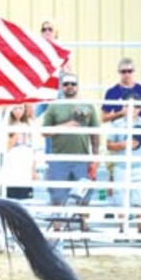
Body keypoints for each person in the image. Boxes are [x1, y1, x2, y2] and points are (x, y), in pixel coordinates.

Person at [41, 73, 100, 213]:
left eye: (73, 84)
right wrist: (67, 125)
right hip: (58, 159)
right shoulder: (54, 106)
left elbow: (95, 133)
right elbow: (44, 131)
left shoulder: (88, 106)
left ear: (77, 87)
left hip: (82, 158)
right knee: (57, 197)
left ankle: (83, 229)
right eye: (66, 84)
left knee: (84, 197)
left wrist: (96, 158)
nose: (70, 87)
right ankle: (56, 229)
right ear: (62, 86)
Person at [106, 94, 141, 233]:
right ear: (124, 106)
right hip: (121, 166)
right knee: (121, 198)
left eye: (137, 106)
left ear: (140, 109)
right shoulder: (116, 124)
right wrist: (122, 144)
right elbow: (109, 145)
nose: (133, 109)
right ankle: (122, 230)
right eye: (129, 105)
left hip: (140, 166)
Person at [1, 104, 38, 200]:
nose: (18, 111)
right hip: (12, 166)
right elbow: (5, 147)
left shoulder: (30, 124)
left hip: (26, 165)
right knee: (11, 196)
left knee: (26, 197)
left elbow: (34, 148)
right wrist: (16, 134)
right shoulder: (6, 125)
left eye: (20, 108)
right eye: (15, 108)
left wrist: (33, 170)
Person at [102, 57, 141, 123]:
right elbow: (103, 118)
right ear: (119, 72)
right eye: (123, 71)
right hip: (119, 127)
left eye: (129, 71)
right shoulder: (111, 92)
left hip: (139, 126)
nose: (127, 74)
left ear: (133, 71)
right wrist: (120, 113)